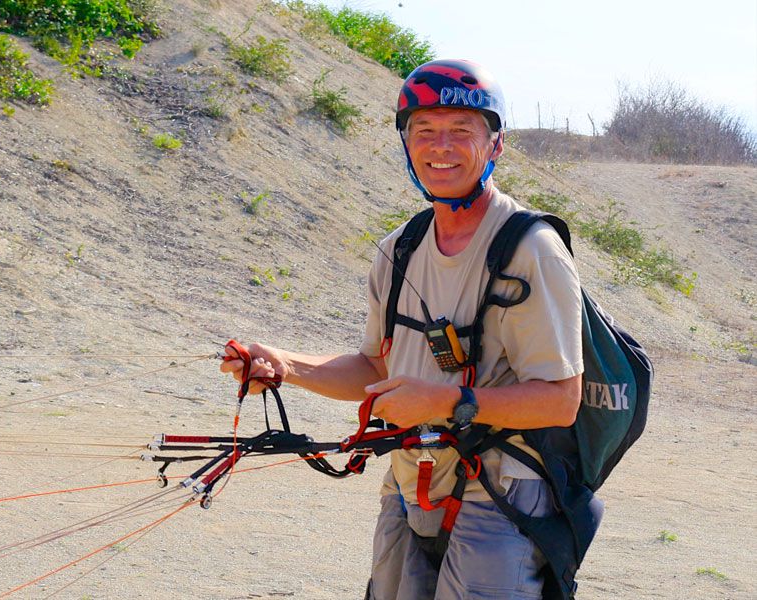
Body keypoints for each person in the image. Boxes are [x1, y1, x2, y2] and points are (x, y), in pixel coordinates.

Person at [220, 59, 584, 600]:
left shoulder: (530, 250)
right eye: (425, 130)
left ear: (495, 144)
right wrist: (285, 366)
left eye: (462, 130)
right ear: (406, 142)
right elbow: (374, 369)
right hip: (411, 480)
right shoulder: (401, 248)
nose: (441, 146)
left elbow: (560, 401)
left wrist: (444, 401)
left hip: (502, 491)